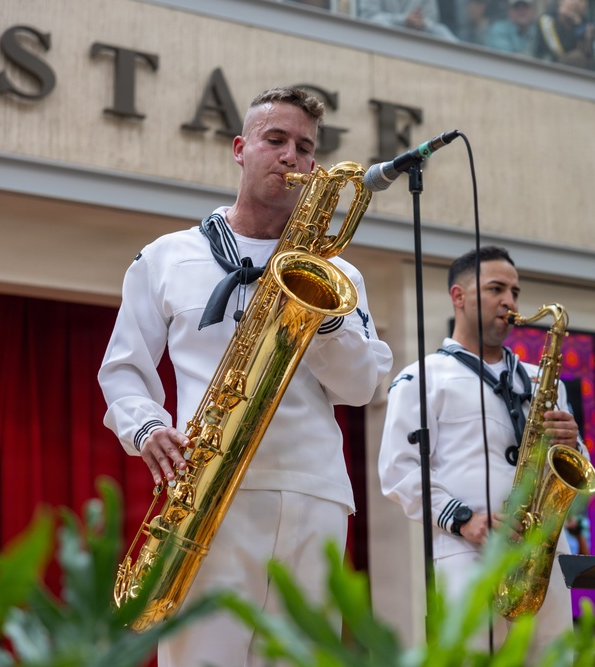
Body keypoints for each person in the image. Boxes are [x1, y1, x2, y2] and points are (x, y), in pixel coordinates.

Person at [98, 86, 393, 667]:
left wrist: (324, 313)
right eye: (274, 140)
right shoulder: (165, 256)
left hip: (315, 491)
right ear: (240, 148)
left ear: (314, 167)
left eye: (304, 148)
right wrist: (147, 429)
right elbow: (123, 369)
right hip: (209, 492)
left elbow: (362, 388)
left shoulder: (342, 275)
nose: (289, 156)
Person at [378, 246, 586, 653]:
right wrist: (463, 520)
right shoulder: (421, 377)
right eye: (496, 289)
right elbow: (399, 471)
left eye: (514, 291)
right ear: (459, 296)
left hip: (542, 554)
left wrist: (572, 442)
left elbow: (577, 472)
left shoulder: (542, 380)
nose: (509, 301)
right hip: (467, 549)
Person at [358, 0, 460, 40]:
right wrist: (403, 20)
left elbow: (433, 22)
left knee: (441, 31)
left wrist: (422, 22)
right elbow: (368, 19)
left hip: (419, 46)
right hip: (383, 43)